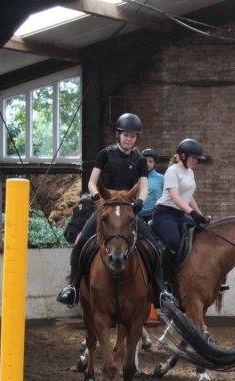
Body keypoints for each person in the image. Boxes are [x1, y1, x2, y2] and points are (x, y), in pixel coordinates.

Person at [56, 113, 175, 308]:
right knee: (80, 243)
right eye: (126, 135)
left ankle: (161, 291)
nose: (129, 139)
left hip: (128, 209)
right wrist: (97, 198)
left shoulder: (140, 160)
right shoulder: (105, 155)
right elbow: (92, 182)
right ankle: (73, 287)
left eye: (133, 136)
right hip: (105, 208)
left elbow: (144, 187)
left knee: (154, 247)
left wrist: (140, 202)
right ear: (118, 135)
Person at [150, 138, 209, 291]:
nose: (196, 161)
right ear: (183, 155)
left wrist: (200, 214)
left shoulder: (190, 172)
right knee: (173, 242)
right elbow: (175, 197)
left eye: (197, 158)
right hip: (165, 214)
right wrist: (191, 214)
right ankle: (164, 281)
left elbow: (189, 195)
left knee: (201, 234)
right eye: (194, 157)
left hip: (180, 215)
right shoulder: (172, 171)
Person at [139, 148, 164, 222]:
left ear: (154, 163)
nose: (147, 163)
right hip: (137, 214)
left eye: (150, 161)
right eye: (145, 161)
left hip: (154, 215)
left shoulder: (161, 178)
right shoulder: (135, 177)